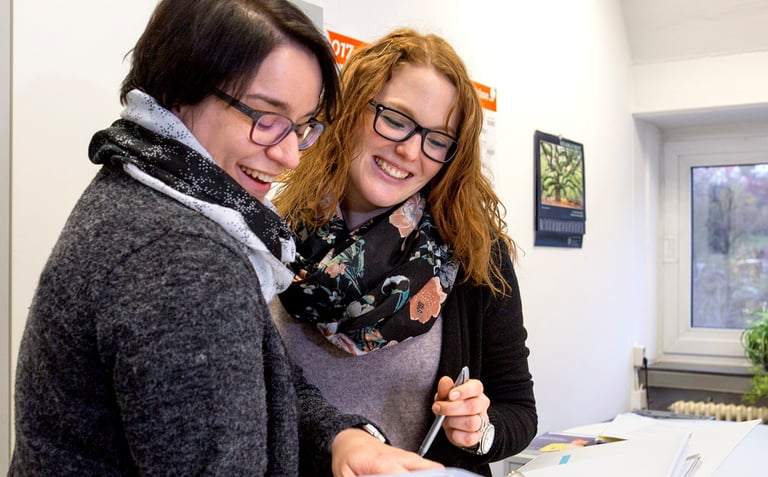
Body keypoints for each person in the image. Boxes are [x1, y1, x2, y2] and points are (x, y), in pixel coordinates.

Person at [9, 2, 444, 476]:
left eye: (301, 127)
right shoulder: (184, 257)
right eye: (266, 117)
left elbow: (256, 374)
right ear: (179, 90)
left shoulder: (146, 189)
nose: (288, 156)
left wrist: (339, 436)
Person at [272, 28, 538, 476]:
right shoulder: (272, 237)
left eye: (437, 140)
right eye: (396, 120)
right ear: (351, 109)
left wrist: (479, 428)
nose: (410, 151)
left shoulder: (473, 254)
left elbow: (519, 409)